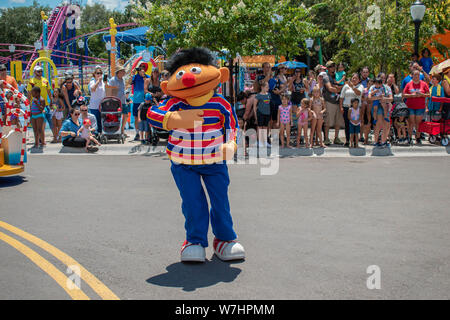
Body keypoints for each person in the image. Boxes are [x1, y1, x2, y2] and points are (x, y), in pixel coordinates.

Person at [27, 65, 53, 144]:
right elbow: (29, 93)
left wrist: (52, 102)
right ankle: (40, 140)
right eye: (38, 71)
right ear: (35, 72)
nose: (40, 72)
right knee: (40, 124)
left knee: (51, 121)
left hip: (46, 104)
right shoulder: (32, 81)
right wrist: (29, 105)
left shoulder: (45, 80)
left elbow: (49, 92)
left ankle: (55, 136)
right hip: (36, 105)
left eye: (41, 71)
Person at [403, 69, 430, 144]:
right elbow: (404, 95)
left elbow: (428, 94)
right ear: (412, 75)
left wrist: (422, 95)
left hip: (420, 106)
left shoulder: (424, 84)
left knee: (418, 122)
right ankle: (410, 137)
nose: (416, 76)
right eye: (415, 74)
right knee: (411, 122)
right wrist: (411, 95)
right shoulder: (409, 84)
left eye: (418, 75)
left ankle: (418, 137)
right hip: (410, 106)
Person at [322, 60, 344, 145]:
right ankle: (326, 138)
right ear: (327, 68)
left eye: (334, 66)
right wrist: (339, 89)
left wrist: (338, 88)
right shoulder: (326, 77)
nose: (333, 68)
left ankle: (336, 138)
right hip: (329, 101)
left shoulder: (337, 76)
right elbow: (330, 88)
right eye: (331, 66)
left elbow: (343, 84)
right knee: (327, 122)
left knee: (337, 122)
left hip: (338, 101)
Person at [339, 73, 363, 147]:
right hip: (346, 107)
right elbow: (341, 97)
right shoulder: (346, 86)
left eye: (356, 78)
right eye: (353, 78)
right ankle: (347, 141)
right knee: (347, 125)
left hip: (356, 109)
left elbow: (358, 93)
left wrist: (352, 87)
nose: (354, 79)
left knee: (356, 125)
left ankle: (355, 142)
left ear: (359, 80)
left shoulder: (360, 86)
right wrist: (341, 107)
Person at [369, 77, 393, 147]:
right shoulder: (373, 87)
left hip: (385, 105)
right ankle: (376, 141)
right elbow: (369, 97)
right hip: (377, 105)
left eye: (383, 78)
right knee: (378, 125)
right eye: (381, 78)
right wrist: (378, 98)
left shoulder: (387, 88)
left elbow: (391, 98)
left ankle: (383, 141)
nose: (383, 79)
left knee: (386, 125)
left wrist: (384, 99)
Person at [128, 62, 150, 141]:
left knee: (146, 117)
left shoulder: (147, 77)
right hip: (136, 101)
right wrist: (132, 74)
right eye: (140, 67)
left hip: (145, 100)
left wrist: (144, 77)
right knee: (136, 117)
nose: (142, 68)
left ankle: (147, 134)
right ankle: (137, 133)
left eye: (143, 67)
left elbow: (148, 86)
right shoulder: (135, 76)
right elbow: (129, 82)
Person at [253, 81, 272, 147]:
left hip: (267, 113)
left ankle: (265, 142)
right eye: (267, 87)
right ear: (262, 87)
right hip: (260, 113)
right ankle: (259, 142)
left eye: (268, 87)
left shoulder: (269, 95)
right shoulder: (258, 95)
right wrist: (255, 116)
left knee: (265, 128)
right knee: (260, 127)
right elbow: (254, 106)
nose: (268, 88)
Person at [270, 65, 288, 132]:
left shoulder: (282, 77)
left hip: (282, 99)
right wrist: (285, 85)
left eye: (285, 68)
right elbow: (276, 91)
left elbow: (283, 88)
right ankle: (275, 137)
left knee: (280, 119)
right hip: (276, 100)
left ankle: (279, 136)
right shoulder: (275, 78)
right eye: (283, 68)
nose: (285, 70)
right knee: (274, 119)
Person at [88, 66, 106, 133]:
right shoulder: (93, 81)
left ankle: (102, 134)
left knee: (102, 121)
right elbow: (92, 89)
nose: (99, 75)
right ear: (94, 74)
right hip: (94, 106)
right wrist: (98, 81)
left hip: (102, 105)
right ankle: (95, 134)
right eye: (97, 73)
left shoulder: (103, 83)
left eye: (100, 73)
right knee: (95, 121)